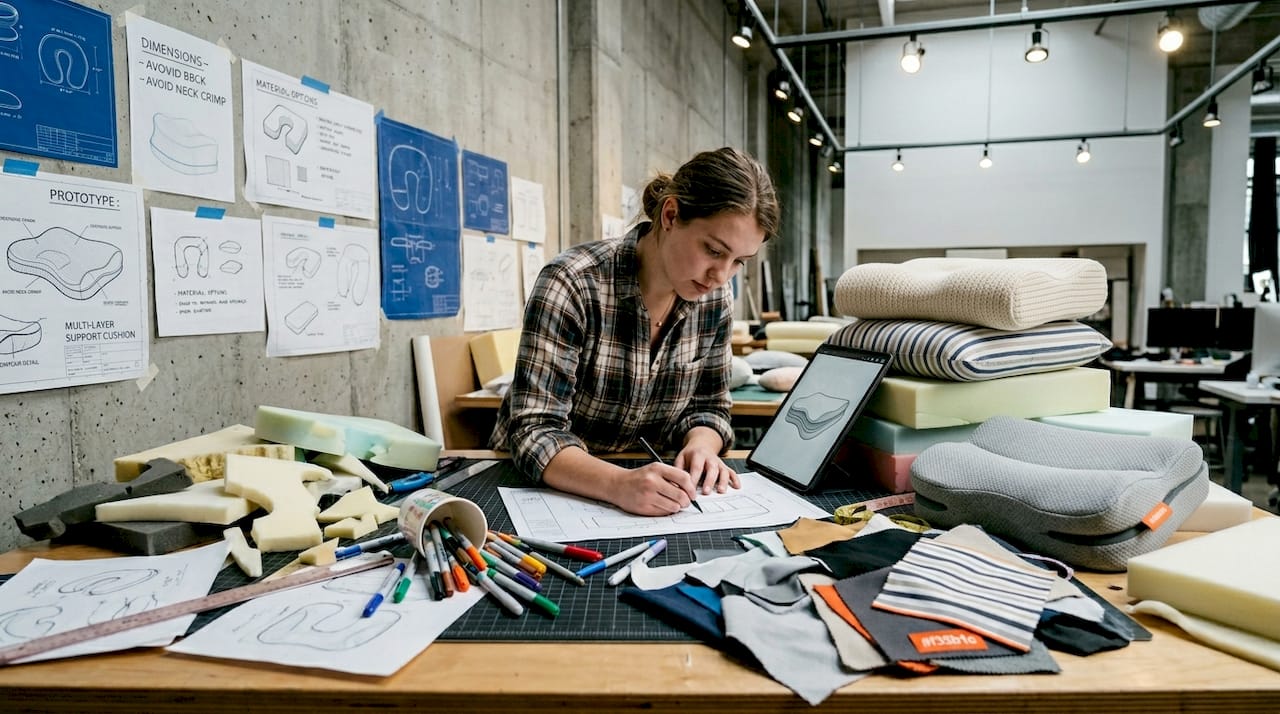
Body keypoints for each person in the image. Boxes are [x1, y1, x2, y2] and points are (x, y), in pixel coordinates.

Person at [491, 146, 779, 516]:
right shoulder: (573, 283)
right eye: (712, 250)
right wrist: (617, 484)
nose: (721, 276)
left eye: (738, 261)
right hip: (537, 488)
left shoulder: (714, 299)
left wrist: (702, 445)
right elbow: (535, 431)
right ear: (671, 215)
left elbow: (710, 407)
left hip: (645, 486)